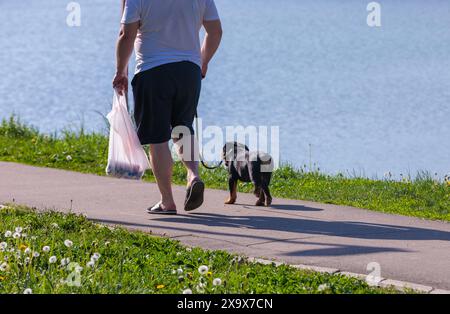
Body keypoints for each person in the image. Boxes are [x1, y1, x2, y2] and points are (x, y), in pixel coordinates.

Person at [113, 0, 222, 215]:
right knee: (183, 129)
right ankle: (193, 175)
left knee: (158, 138)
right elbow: (215, 31)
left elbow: (126, 35)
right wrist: (203, 61)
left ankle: (167, 201)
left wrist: (120, 71)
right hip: (189, 72)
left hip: (153, 71)